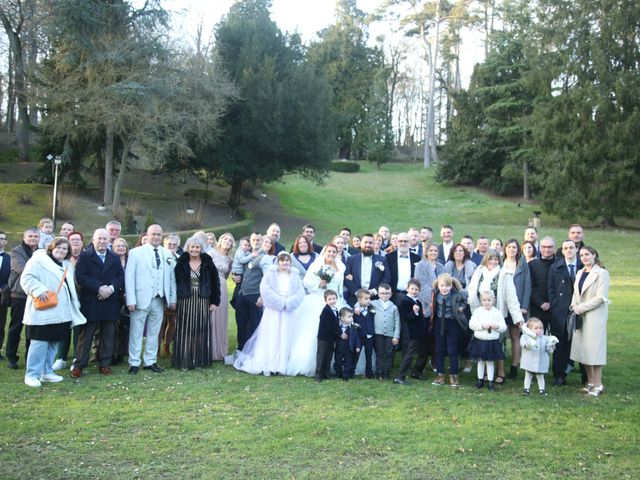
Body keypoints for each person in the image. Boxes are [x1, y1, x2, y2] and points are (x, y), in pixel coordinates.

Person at [20, 237, 86, 387]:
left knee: (54, 342)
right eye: (59, 248)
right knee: (39, 343)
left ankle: (47, 372)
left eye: (64, 249)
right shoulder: (38, 261)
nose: (61, 251)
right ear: (51, 248)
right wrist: (39, 290)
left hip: (62, 311)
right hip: (43, 309)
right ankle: (32, 374)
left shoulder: (67, 265)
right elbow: (26, 278)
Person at [234, 251, 304, 376]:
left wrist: (288, 303)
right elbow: (265, 289)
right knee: (273, 334)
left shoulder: (295, 275)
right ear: (278, 262)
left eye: (287, 260)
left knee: (286, 334)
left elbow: (300, 292)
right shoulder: (271, 274)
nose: (285, 263)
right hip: (274, 310)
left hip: (288, 310)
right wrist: (278, 302)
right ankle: (271, 363)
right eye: (282, 260)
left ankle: (283, 363)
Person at [286, 244, 346, 376]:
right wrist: (320, 284)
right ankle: (316, 366)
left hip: (336, 301)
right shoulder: (316, 265)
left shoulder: (341, 266)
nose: (331, 254)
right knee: (316, 333)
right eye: (329, 251)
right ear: (324, 252)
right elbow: (306, 282)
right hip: (319, 299)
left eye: (334, 252)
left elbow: (340, 285)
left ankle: (334, 365)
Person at [71, 229, 124, 377]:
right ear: (93, 240)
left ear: (109, 241)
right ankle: (79, 364)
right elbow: (80, 276)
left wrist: (111, 288)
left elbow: (120, 276)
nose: (102, 241)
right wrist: (99, 288)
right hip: (91, 300)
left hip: (110, 301)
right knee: (86, 335)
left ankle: (105, 364)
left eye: (105, 239)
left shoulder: (114, 257)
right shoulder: (85, 256)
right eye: (99, 238)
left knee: (108, 335)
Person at [467, 249, 525, 384]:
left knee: (498, 345)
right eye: (490, 259)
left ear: (499, 260)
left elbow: (512, 298)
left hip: (497, 315)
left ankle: (500, 372)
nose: (493, 262)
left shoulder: (505, 275)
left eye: (496, 259)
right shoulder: (478, 272)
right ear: (485, 260)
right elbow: (471, 291)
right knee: (483, 344)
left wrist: (517, 318)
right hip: (481, 314)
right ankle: (485, 374)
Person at [125, 224, 177, 374]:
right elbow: (129, 278)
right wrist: (131, 300)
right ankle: (134, 362)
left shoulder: (167, 253)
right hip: (140, 298)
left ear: (162, 236)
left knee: (154, 332)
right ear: (147, 235)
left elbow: (171, 278)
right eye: (153, 234)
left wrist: (172, 299)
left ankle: (150, 361)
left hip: (159, 299)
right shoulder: (135, 252)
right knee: (136, 332)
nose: (156, 237)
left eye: (159, 234)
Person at [172, 237, 220, 370]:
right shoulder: (181, 262)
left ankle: (198, 360)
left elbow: (215, 282)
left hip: (203, 299)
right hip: (185, 300)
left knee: (200, 330)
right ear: (187, 248)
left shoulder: (207, 262)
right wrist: (173, 300)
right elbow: (174, 282)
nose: (194, 249)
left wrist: (215, 301)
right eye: (192, 247)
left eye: (197, 247)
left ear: (201, 249)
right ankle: (184, 361)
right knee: (185, 330)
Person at [570, 246, 610, 397]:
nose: (584, 257)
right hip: (580, 315)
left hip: (594, 316)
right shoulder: (580, 272)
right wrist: (574, 306)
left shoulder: (602, 273)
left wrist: (581, 308)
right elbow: (575, 293)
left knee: (595, 351)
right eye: (581, 255)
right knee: (583, 350)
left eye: (587, 254)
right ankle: (591, 382)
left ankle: (598, 385)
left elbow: (600, 298)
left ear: (594, 255)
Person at [548, 239, 581, 386]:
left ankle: (586, 375)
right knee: (559, 344)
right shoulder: (556, 267)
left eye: (571, 248)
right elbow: (551, 289)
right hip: (560, 311)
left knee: (581, 342)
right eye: (565, 248)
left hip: (580, 310)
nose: (568, 250)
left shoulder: (583, 266)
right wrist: (556, 307)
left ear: (576, 249)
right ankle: (559, 374)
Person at [6, 227, 40, 369]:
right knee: (16, 326)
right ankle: (11, 356)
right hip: (19, 295)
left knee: (32, 328)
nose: (33, 239)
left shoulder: (42, 251)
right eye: (30, 236)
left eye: (35, 236)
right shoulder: (16, 251)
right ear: (24, 237)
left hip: (36, 295)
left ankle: (29, 357)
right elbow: (22, 269)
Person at [234, 235, 275, 351]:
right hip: (242, 295)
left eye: (258, 240)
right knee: (241, 325)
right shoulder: (247, 255)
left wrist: (263, 296)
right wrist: (234, 276)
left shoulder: (265, 258)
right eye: (253, 240)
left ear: (261, 242)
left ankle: (252, 352)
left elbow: (268, 279)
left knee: (254, 326)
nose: (256, 242)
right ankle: (241, 350)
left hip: (255, 296)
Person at [430, 274, 468, 388]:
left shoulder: (457, 295)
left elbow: (465, 299)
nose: (444, 288)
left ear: (451, 286)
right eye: (442, 285)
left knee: (452, 350)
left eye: (447, 286)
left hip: (452, 323)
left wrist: (462, 306)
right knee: (439, 349)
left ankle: (454, 375)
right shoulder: (435, 294)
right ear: (438, 285)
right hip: (439, 324)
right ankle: (440, 374)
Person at [502, 238, 531, 380]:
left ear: (518, 250)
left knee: (515, 336)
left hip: (517, 305)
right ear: (505, 248)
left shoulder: (522, 264)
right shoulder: (500, 263)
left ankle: (514, 366)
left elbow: (527, 285)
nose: (511, 249)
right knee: (500, 337)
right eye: (509, 247)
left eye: (514, 247)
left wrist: (524, 306)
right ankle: (499, 367)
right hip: (502, 305)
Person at [468, 291, 507, 391]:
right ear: (481, 301)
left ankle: (490, 382)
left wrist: (497, 326)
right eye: (484, 300)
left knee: (490, 362)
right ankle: (480, 380)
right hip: (480, 341)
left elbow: (503, 327)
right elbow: (471, 324)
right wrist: (482, 325)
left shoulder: (497, 313)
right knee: (480, 362)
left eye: (489, 300)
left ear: (493, 301)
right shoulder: (478, 311)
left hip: (492, 342)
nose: (487, 302)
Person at [394, 279, 429, 385]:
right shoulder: (405, 301)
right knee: (410, 354)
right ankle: (400, 376)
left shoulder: (418, 301)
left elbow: (421, 318)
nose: (414, 291)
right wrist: (414, 312)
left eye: (416, 289)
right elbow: (406, 318)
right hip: (411, 333)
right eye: (412, 289)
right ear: (407, 289)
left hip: (420, 332)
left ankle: (416, 371)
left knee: (423, 352)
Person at [343, 233, 390, 306]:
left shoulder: (382, 260)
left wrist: (374, 291)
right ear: (361, 243)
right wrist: (357, 292)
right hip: (355, 298)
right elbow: (346, 279)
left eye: (370, 243)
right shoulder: (351, 259)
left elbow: (386, 278)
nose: (368, 245)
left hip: (375, 299)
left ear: (374, 244)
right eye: (365, 242)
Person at [209, 233, 234, 360]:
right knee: (211, 318)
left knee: (221, 317)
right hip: (211, 287)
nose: (227, 241)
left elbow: (227, 274)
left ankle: (220, 349)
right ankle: (209, 349)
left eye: (230, 240)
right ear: (220, 240)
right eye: (225, 239)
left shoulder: (229, 259)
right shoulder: (211, 254)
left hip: (223, 288)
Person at [520, 318, 558, 395]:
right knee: (528, 374)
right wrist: (528, 344)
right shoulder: (525, 337)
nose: (539, 330)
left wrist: (551, 346)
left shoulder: (545, 338)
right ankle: (526, 389)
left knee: (540, 375)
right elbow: (523, 344)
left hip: (541, 361)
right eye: (536, 328)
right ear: (529, 329)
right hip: (529, 361)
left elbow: (548, 348)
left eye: (541, 328)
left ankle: (542, 390)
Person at [370, 283, 400, 380]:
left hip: (390, 334)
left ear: (391, 294)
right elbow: (361, 302)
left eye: (387, 293)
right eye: (382, 293)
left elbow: (397, 322)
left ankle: (386, 371)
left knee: (388, 352)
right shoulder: (374, 303)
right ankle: (378, 371)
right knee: (379, 352)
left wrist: (396, 336)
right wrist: (357, 307)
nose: (385, 295)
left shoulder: (394, 307)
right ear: (378, 294)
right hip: (378, 333)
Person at [158, 234, 181, 357]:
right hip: (162, 294)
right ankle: (156, 349)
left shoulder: (179, 258)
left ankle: (166, 347)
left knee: (173, 322)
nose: (171, 247)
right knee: (160, 322)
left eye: (174, 245)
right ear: (164, 245)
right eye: (169, 244)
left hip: (176, 294)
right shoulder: (160, 257)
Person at [528, 236, 556, 331]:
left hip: (556, 308)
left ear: (554, 248)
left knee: (557, 340)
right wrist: (541, 303)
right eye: (543, 247)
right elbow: (530, 286)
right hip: (538, 308)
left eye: (550, 247)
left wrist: (552, 303)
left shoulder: (561, 264)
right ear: (539, 248)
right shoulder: (532, 264)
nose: (546, 249)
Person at [314, 289, 343, 382]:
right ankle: (318, 374)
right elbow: (332, 325)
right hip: (324, 337)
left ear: (336, 299)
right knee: (321, 355)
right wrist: (340, 333)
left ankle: (326, 372)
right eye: (329, 299)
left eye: (334, 298)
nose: (332, 301)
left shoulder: (335, 309)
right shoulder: (326, 310)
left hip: (331, 337)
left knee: (329, 355)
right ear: (326, 301)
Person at [386, 232, 421, 306]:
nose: (403, 243)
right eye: (400, 241)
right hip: (393, 295)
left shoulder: (417, 258)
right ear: (397, 242)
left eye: (406, 241)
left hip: (411, 296)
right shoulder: (389, 257)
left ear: (410, 242)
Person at [111, 237, 129, 365]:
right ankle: (112, 353)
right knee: (113, 327)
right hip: (114, 296)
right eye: (118, 246)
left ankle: (122, 352)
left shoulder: (130, 260)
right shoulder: (111, 260)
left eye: (123, 246)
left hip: (128, 298)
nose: (121, 248)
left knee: (125, 327)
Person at [352, 289, 375, 378]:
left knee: (369, 354)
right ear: (359, 300)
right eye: (366, 299)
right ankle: (351, 370)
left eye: (369, 298)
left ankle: (369, 372)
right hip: (359, 336)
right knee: (356, 354)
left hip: (369, 335)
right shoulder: (355, 311)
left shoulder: (371, 308)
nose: (368, 300)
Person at [333, 307, 360, 380]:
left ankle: (346, 374)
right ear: (342, 318)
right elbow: (334, 336)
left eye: (352, 316)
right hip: (339, 348)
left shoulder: (353, 328)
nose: (351, 318)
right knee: (338, 361)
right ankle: (338, 373)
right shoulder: (337, 328)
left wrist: (357, 346)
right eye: (349, 317)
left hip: (349, 348)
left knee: (348, 362)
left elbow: (356, 337)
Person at [0, 231, 10, 359]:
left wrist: (3, 288)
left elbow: (11, 277)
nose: (0, 241)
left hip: (2, 295)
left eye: (2, 238)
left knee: (1, 324)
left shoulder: (9, 258)